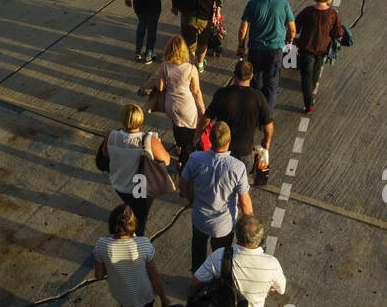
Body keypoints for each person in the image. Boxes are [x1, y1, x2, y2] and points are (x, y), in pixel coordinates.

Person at [179, 120, 253, 272]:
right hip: (223, 225)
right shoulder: (237, 168)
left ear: (210, 140)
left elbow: (182, 184)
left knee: (198, 251)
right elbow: (244, 203)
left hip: (200, 218)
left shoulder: (195, 158)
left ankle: (197, 280)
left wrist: (192, 200)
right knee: (221, 259)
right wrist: (252, 224)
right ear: (229, 141)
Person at [100, 102, 171, 235]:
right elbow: (166, 160)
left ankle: (128, 212)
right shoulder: (148, 140)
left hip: (120, 185)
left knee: (130, 204)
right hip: (141, 190)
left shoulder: (112, 136)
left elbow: (105, 153)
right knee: (140, 219)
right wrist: (158, 145)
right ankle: (136, 239)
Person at [197, 59, 273, 176]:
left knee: (220, 182)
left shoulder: (222, 94)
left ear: (234, 74)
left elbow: (207, 119)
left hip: (222, 150)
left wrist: (197, 136)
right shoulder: (258, 97)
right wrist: (266, 141)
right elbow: (268, 126)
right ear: (251, 76)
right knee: (239, 185)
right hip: (245, 152)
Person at [237, 0, 296, 110]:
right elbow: (292, 29)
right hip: (275, 51)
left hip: (255, 50)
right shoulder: (284, 4)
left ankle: (254, 108)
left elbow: (242, 29)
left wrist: (241, 46)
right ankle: (266, 115)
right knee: (271, 84)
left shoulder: (252, 4)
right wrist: (289, 41)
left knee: (255, 82)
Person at [293, 0, 345, 114]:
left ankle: (308, 104)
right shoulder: (333, 14)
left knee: (306, 75)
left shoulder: (308, 11)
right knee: (317, 68)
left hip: (307, 48)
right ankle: (313, 86)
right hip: (323, 48)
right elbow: (338, 32)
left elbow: (296, 27)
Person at [156, 34, 205, 169]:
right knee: (190, 136)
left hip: (170, 104)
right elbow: (196, 91)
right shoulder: (190, 69)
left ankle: (179, 147)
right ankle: (183, 161)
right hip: (186, 106)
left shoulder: (164, 65)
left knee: (177, 125)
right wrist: (202, 108)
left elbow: (160, 87)